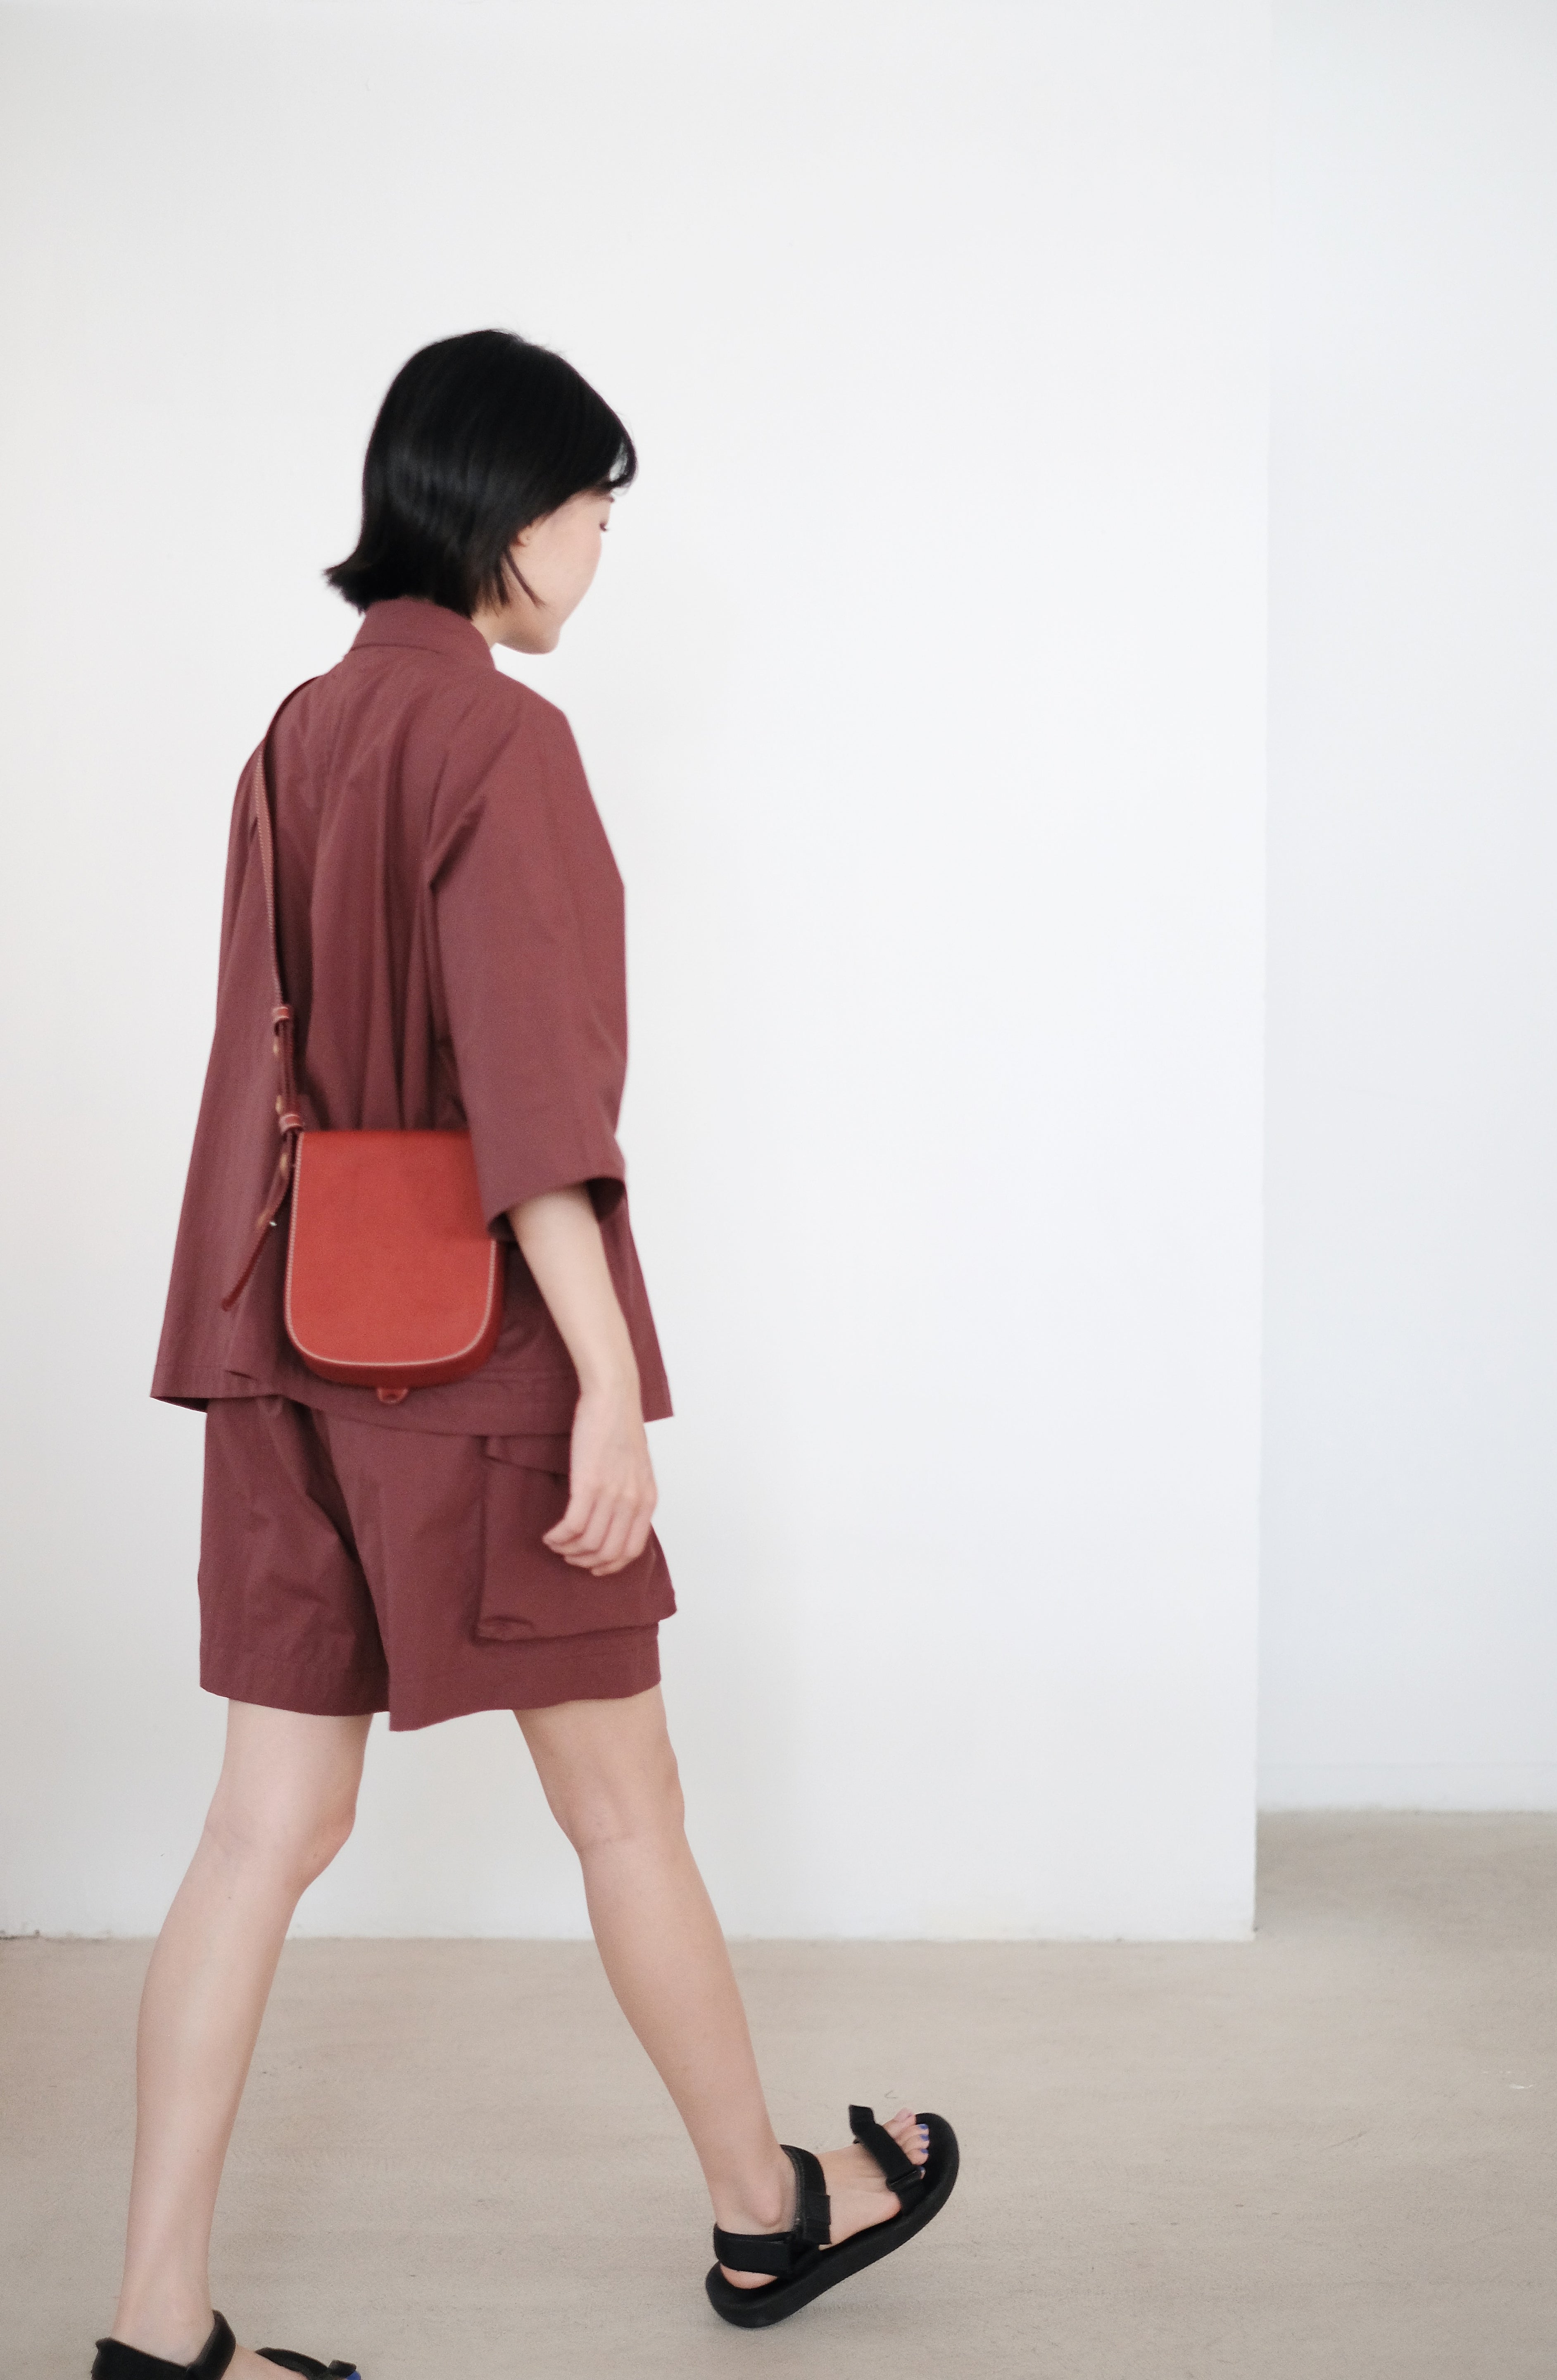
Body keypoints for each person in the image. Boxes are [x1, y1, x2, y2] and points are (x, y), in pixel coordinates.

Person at [93, 331, 956, 2380]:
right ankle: (765, 2216)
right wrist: (606, 1389)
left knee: (257, 1836)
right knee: (629, 1810)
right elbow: (535, 1112)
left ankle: (153, 2327)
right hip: (476, 1367)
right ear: (508, 510)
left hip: (285, 1344)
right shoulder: (503, 742)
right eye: (592, 506)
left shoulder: (298, 732)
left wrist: (243, 1343)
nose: (599, 546)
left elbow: (258, 1071)